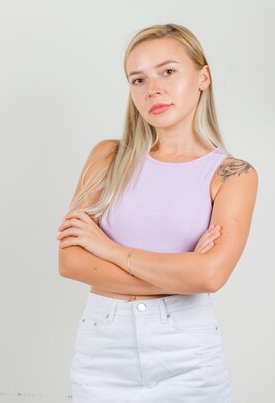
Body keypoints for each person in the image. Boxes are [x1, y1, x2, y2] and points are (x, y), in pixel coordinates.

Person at [57, 23, 258, 403]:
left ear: (203, 76)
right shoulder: (107, 157)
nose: (154, 90)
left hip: (186, 348)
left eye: (167, 71)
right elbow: (70, 261)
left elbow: (211, 275)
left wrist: (108, 249)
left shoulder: (233, 174)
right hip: (103, 348)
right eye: (138, 79)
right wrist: (183, 273)